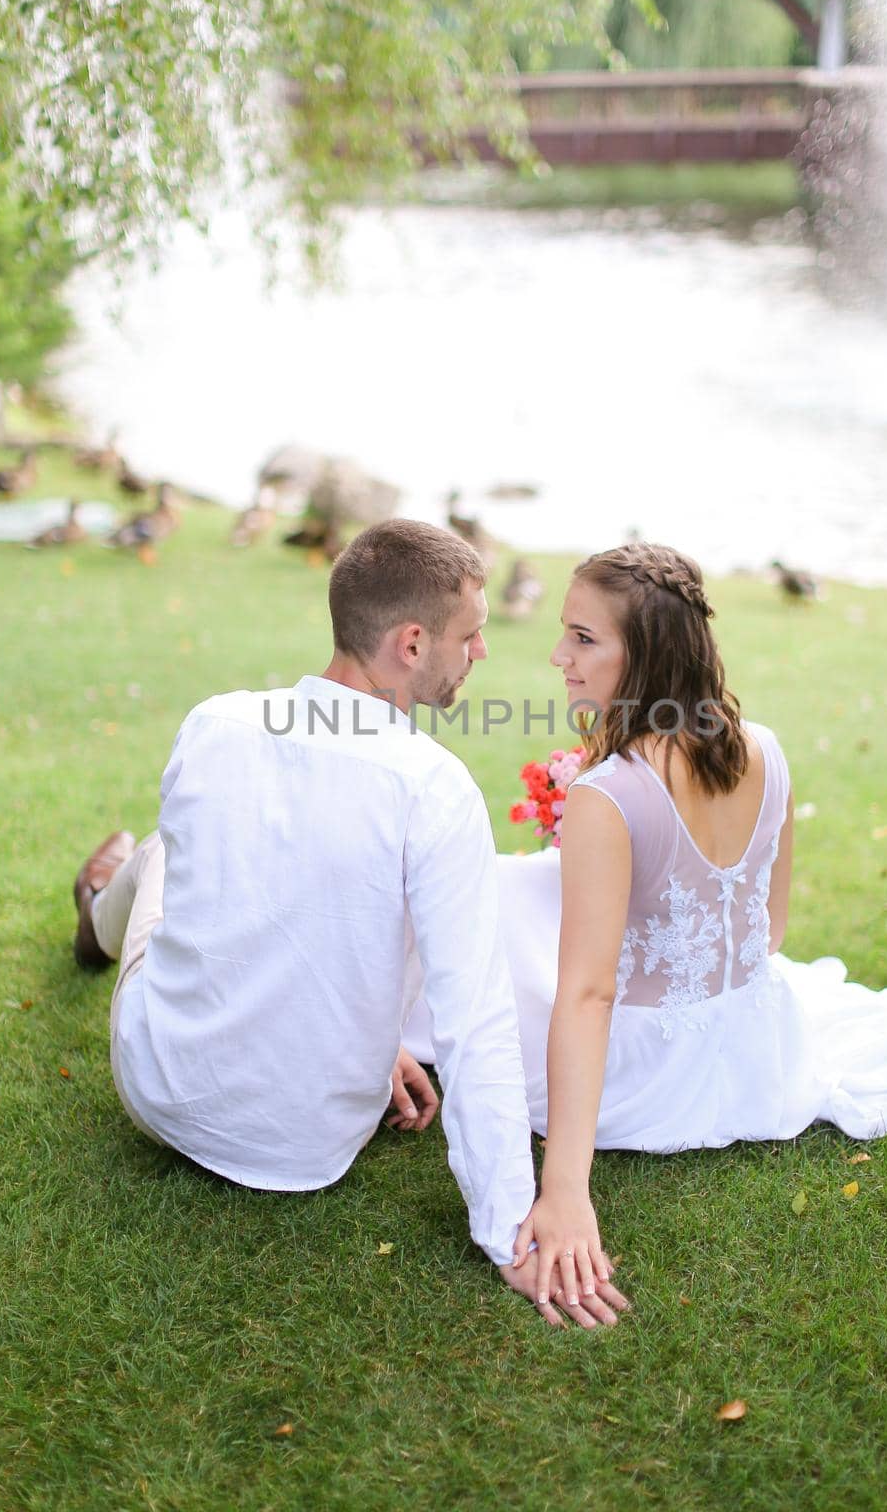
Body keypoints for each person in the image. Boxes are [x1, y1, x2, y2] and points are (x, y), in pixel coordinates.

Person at [410, 542, 887, 1308]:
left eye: (584, 638)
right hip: (762, 1043)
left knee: (478, 919)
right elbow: (771, 930)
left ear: (650, 656)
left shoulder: (609, 794)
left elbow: (590, 997)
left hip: (644, 1080)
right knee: (525, 886)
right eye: (565, 632)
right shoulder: (764, 748)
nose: (559, 656)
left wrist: (563, 1188)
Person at [71, 519, 627, 1329]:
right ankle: (95, 913)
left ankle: (97, 911)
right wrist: (506, 1229)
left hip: (162, 1090)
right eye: (468, 637)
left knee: (160, 855)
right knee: (163, 855)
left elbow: (237, 915)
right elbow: (473, 1020)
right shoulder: (432, 788)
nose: (481, 654)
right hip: (313, 1139)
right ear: (410, 644)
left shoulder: (215, 723)